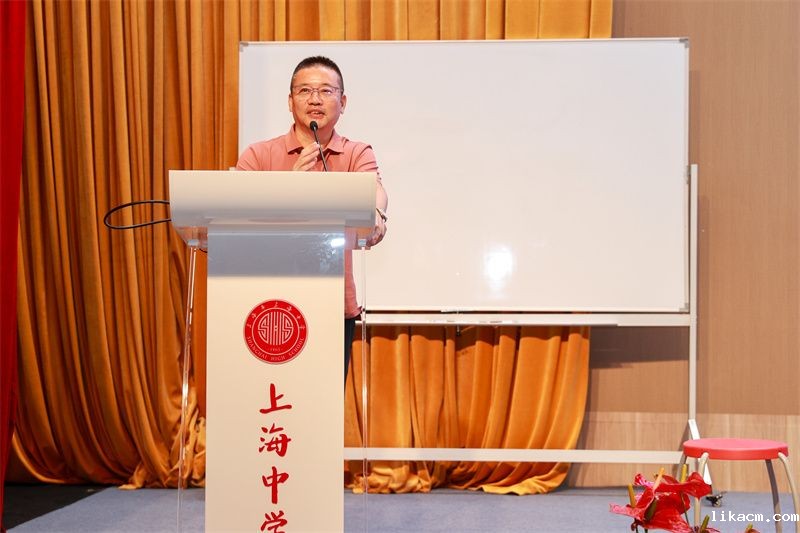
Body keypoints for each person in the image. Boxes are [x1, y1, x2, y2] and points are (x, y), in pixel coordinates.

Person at [236, 56, 388, 380]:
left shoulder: (356, 153)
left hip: (333, 305)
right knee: (273, 401)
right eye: (305, 90)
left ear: (342, 102)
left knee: (324, 404)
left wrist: (377, 213)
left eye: (326, 91)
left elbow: (374, 189)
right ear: (290, 101)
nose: (315, 99)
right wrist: (289, 189)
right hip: (267, 306)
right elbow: (236, 213)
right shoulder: (258, 155)